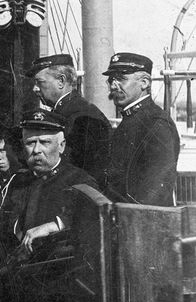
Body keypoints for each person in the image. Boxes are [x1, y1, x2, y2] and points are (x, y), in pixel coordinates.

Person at [15, 110, 98, 253]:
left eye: (45, 142)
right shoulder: (19, 182)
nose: (36, 150)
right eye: (30, 143)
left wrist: (55, 225)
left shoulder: (80, 181)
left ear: (61, 146)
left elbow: (91, 223)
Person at [103, 52, 180, 206]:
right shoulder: (132, 119)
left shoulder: (156, 123)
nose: (113, 85)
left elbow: (154, 192)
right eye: (112, 80)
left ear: (144, 83)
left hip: (141, 223)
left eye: (121, 79)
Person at [27, 54, 111, 184]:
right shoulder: (72, 110)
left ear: (61, 81)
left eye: (40, 82)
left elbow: (86, 172)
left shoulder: (82, 117)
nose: (35, 89)